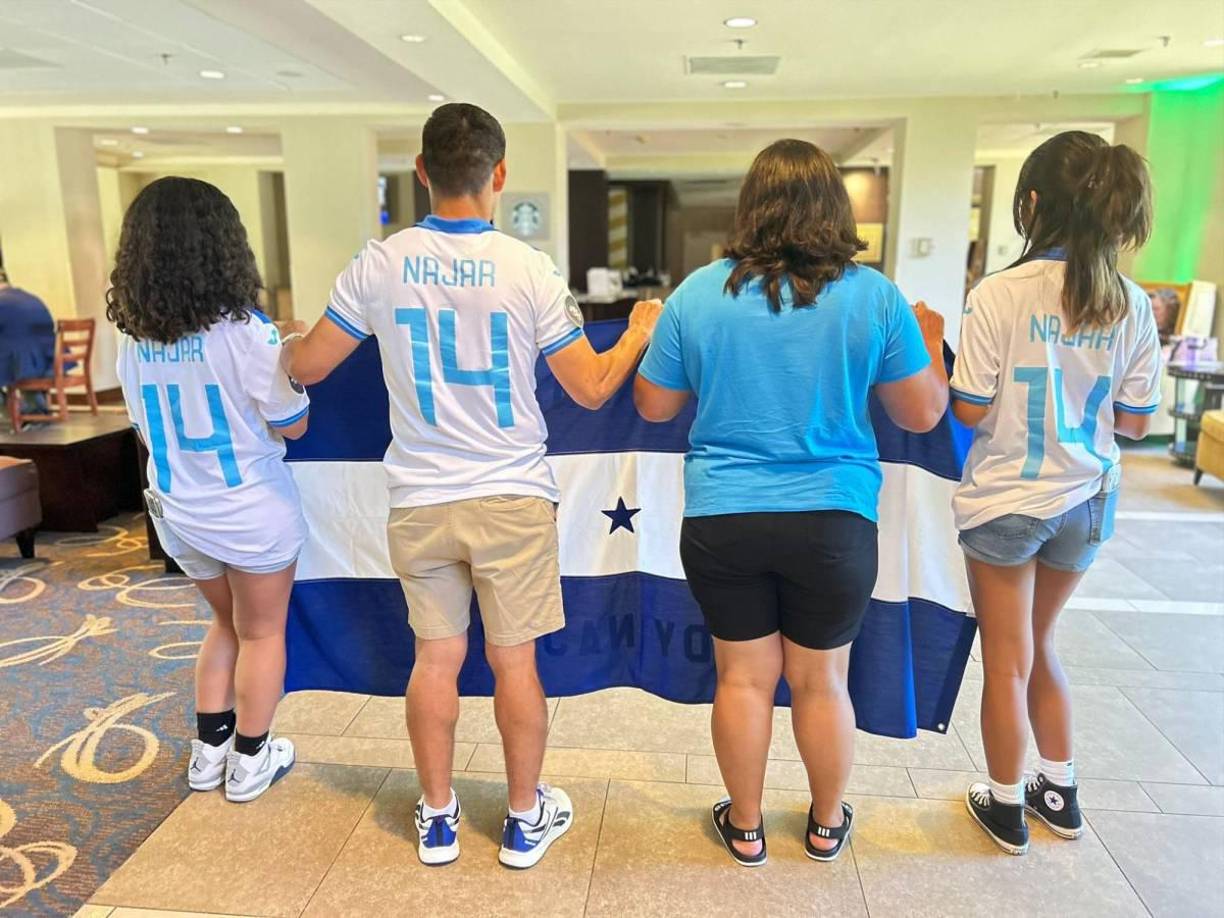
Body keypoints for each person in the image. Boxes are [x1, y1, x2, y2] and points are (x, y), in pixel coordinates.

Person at [283, 102, 661, 869]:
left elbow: (308, 367)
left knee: (436, 660)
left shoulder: (378, 264)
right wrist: (636, 336)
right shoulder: (528, 269)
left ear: (421, 172)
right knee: (516, 664)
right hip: (510, 497)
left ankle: (438, 817)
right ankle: (523, 821)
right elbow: (589, 389)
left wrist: (281, 342)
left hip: (421, 499)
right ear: (499, 176)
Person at [633, 139, 949, 867]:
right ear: (835, 207)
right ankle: (825, 824)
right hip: (834, 520)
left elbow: (652, 404)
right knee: (822, 679)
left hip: (724, 517)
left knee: (742, 677)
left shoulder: (699, 293)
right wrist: (926, 345)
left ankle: (745, 828)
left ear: (752, 207)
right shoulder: (874, 296)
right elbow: (923, 414)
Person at [949, 131, 1161, 855]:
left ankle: (1006, 805)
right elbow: (1135, 422)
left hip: (1009, 496)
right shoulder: (1133, 303)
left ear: (1033, 203)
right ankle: (1059, 789)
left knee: (1006, 658)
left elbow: (969, 410)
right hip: (1089, 497)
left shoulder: (999, 294)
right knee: (1041, 642)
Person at [108, 177, 310, 803]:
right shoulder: (249, 333)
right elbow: (293, 422)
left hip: (178, 512)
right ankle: (252, 758)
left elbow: (143, 425)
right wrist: (288, 355)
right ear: (225, 246)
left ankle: (207, 754)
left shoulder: (133, 339)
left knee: (223, 624)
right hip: (249, 510)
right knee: (262, 632)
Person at [0, 267, 56, 416]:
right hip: (50, 361)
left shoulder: (2, 301)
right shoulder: (30, 297)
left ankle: (14, 412)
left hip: (26, 365)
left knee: (14, 360)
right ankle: (30, 408)